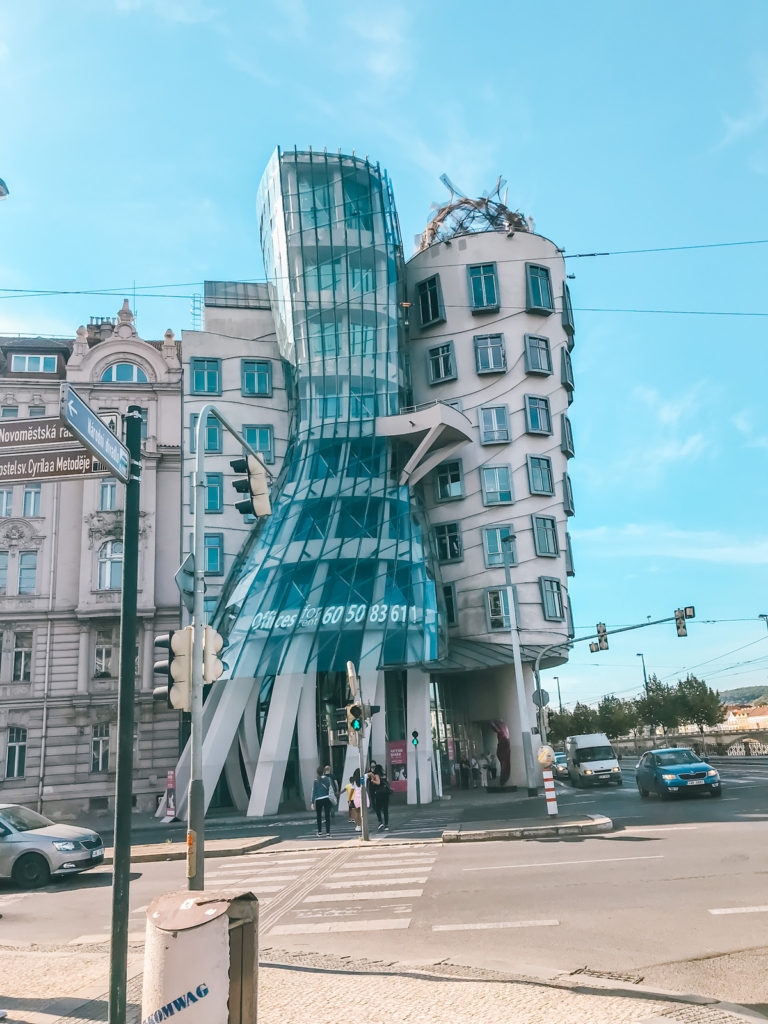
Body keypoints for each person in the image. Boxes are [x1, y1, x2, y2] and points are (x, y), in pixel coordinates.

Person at [310, 765, 333, 837]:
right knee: (327, 816)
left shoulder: (316, 780)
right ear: (323, 772)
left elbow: (314, 792)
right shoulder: (328, 779)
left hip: (318, 800)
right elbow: (330, 788)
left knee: (319, 816)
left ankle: (319, 832)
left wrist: (312, 802)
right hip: (326, 798)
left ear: (317, 772)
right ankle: (328, 833)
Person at [371, 763, 391, 831]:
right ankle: (386, 825)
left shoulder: (376, 775)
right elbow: (388, 782)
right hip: (386, 794)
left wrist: (373, 781)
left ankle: (380, 822)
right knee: (385, 810)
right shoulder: (384, 775)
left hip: (379, 794)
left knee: (377, 809)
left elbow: (378, 783)